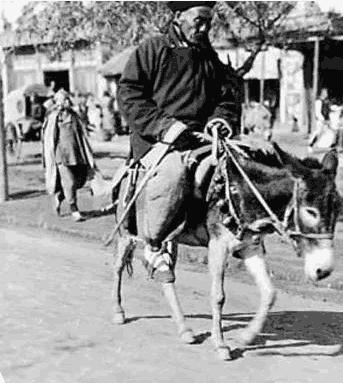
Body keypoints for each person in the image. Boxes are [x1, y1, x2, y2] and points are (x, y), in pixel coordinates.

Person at [117, 1, 241, 283]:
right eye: (199, 20)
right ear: (177, 17)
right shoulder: (153, 49)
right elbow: (129, 93)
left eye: (209, 21)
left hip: (200, 138)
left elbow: (226, 97)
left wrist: (219, 121)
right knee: (173, 174)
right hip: (157, 139)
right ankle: (154, 245)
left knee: (241, 167)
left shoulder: (209, 57)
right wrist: (165, 127)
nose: (204, 27)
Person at [42, 89, 96, 222]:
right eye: (62, 99)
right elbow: (48, 138)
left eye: (66, 99)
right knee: (70, 182)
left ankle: (60, 196)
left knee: (79, 181)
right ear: (57, 102)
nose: (65, 101)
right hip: (61, 155)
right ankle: (74, 210)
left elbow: (82, 131)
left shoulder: (74, 115)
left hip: (76, 154)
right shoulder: (53, 117)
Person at [308, 88, 332, 153]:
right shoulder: (319, 101)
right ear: (323, 93)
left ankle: (327, 146)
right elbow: (318, 112)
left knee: (327, 133)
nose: (327, 94)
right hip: (320, 121)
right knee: (318, 133)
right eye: (326, 93)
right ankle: (310, 145)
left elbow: (328, 111)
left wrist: (328, 119)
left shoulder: (326, 102)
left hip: (325, 121)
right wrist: (322, 119)